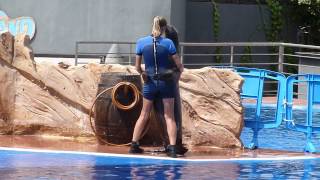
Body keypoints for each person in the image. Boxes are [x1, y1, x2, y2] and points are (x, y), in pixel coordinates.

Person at [129, 16, 184, 158]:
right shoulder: (169, 43)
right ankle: (172, 148)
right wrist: (176, 76)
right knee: (169, 117)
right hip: (166, 84)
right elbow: (179, 66)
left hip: (150, 84)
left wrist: (143, 74)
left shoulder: (141, 42)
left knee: (144, 114)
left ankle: (134, 145)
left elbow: (136, 67)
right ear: (164, 28)